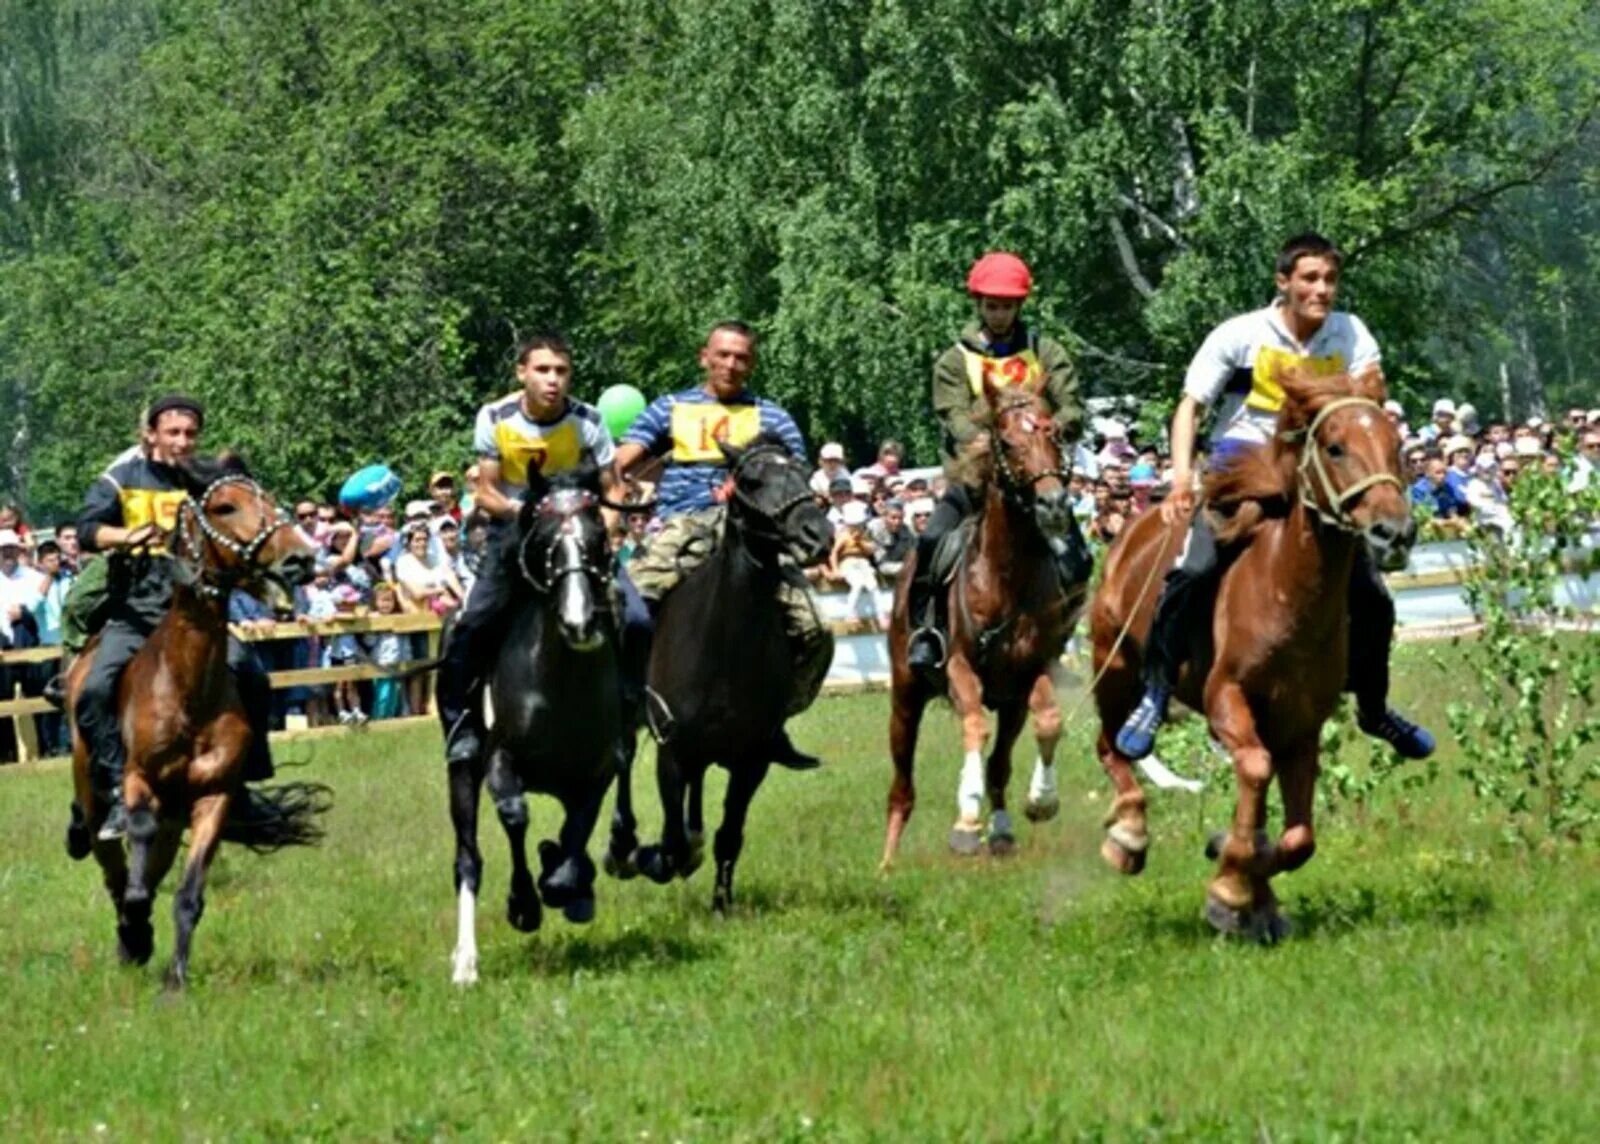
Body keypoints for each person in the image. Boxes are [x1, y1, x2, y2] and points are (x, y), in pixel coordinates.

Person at [1113, 233, 1434, 762]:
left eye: (1330, 279)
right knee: (1194, 569)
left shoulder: (1350, 334)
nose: (1322, 289)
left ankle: (1374, 708)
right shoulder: (1239, 335)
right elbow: (1190, 407)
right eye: (1309, 278)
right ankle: (1156, 689)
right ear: (1283, 281)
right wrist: (1179, 479)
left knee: (1372, 595)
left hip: (1315, 466)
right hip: (1241, 461)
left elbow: (1365, 409)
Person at [614, 319, 828, 770]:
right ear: (704, 357)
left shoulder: (772, 418)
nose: (732, 364)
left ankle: (773, 721)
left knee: (815, 629)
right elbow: (620, 464)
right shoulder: (668, 408)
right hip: (681, 527)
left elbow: (797, 475)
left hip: (753, 535)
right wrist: (616, 496)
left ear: (751, 364)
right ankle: (628, 707)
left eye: (742, 357)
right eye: (724, 355)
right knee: (624, 609)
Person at [71, 394, 281, 839]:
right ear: (151, 435)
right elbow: (85, 531)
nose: (183, 442)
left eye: (190, 434)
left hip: (192, 617)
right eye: (173, 433)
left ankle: (244, 783)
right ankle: (111, 791)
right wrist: (126, 536)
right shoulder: (121, 477)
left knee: (253, 676)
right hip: (134, 613)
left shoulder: (204, 482)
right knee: (94, 690)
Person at [437, 332, 641, 768]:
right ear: (521, 373)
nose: (553, 380)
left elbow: (613, 490)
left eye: (561, 371)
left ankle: (631, 708)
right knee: (470, 624)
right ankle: (461, 726)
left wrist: (599, 532)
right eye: (543, 370)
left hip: (580, 540)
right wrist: (533, 514)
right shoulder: (495, 416)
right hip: (514, 535)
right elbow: (486, 493)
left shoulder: (588, 420)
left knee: (638, 618)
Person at [905, 251, 1089, 671]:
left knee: (1077, 558)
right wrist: (982, 439)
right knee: (932, 543)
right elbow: (952, 414)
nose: (1000, 314)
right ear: (979, 305)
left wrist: (1055, 428)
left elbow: (1072, 406)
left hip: (1036, 485)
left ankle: (1060, 636)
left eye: (1007, 306)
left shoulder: (1046, 351)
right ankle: (927, 634)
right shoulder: (954, 360)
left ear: (1019, 306)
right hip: (976, 479)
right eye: (992, 306)